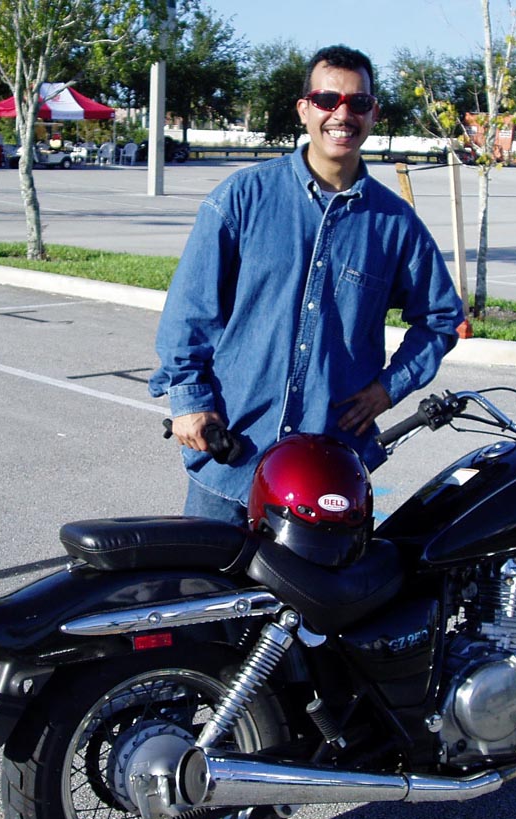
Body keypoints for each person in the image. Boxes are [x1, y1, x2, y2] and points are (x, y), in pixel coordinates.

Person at [149, 44, 464, 527]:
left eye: (358, 102)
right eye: (327, 100)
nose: (342, 114)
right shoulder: (243, 197)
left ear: (373, 113)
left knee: (328, 581)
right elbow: (191, 311)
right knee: (204, 576)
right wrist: (190, 401)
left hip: (328, 469)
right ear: (304, 109)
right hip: (233, 453)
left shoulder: (395, 224)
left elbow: (441, 318)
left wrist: (388, 388)